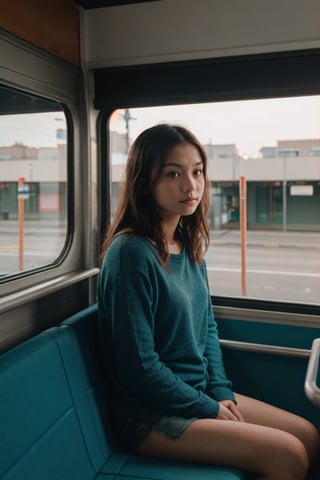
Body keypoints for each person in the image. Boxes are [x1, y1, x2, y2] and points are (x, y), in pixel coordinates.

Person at [97, 123, 319, 479]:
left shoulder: (188, 246)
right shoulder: (131, 254)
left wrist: (219, 390)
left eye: (197, 172)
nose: (191, 185)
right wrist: (207, 406)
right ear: (145, 181)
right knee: (289, 455)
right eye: (174, 174)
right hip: (150, 414)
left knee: (308, 435)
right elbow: (139, 369)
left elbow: (207, 329)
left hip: (197, 393)